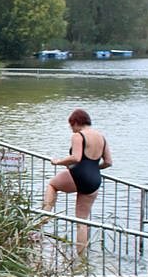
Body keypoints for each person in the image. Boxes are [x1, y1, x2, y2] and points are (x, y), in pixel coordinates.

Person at [44, 109, 112, 254]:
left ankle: (46, 214)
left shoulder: (78, 136)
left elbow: (76, 158)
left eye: (71, 125)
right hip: (94, 181)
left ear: (76, 122)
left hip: (78, 175)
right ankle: (81, 259)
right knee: (82, 222)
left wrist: (58, 162)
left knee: (52, 184)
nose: (71, 129)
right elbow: (108, 162)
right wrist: (93, 169)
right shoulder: (101, 137)